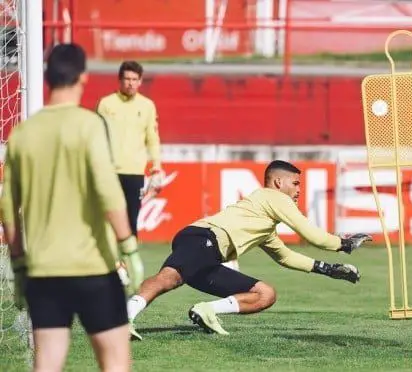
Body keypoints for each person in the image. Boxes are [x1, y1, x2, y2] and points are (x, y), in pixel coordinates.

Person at [0, 44, 145, 371]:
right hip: (91, 267)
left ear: (48, 78)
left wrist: (20, 266)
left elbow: (9, 208)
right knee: (115, 361)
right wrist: (129, 248)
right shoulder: (89, 125)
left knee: (48, 361)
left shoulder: (22, 134)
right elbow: (108, 191)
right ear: (83, 77)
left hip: (43, 271)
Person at [126, 160, 372, 340]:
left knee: (265, 294)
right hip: (204, 237)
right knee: (170, 278)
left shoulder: (264, 221)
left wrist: (327, 270)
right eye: (295, 183)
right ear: (278, 182)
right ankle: (122, 319)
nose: (299, 189)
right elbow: (311, 235)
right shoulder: (274, 198)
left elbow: (285, 257)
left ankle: (207, 310)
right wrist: (344, 244)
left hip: (211, 253)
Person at [96, 60, 164, 238]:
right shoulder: (106, 104)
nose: (131, 83)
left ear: (140, 81)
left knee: (131, 223)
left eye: (135, 79)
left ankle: (127, 264)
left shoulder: (147, 106)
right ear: (120, 80)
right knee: (107, 222)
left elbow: (152, 138)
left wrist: (156, 166)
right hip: (109, 172)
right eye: (127, 79)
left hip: (135, 173)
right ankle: (109, 264)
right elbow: (96, 138)